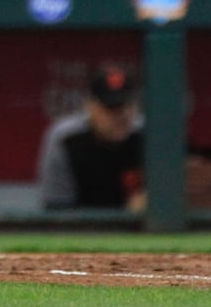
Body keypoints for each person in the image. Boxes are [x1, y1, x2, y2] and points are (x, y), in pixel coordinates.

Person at [36, 65, 145, 212]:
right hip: (79, 230)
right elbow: (56, 207)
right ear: (90, 107)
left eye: (128, 106)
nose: (123, 115)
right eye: (112, 108)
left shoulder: (151, 136)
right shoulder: (66, 138)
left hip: (142, 231)